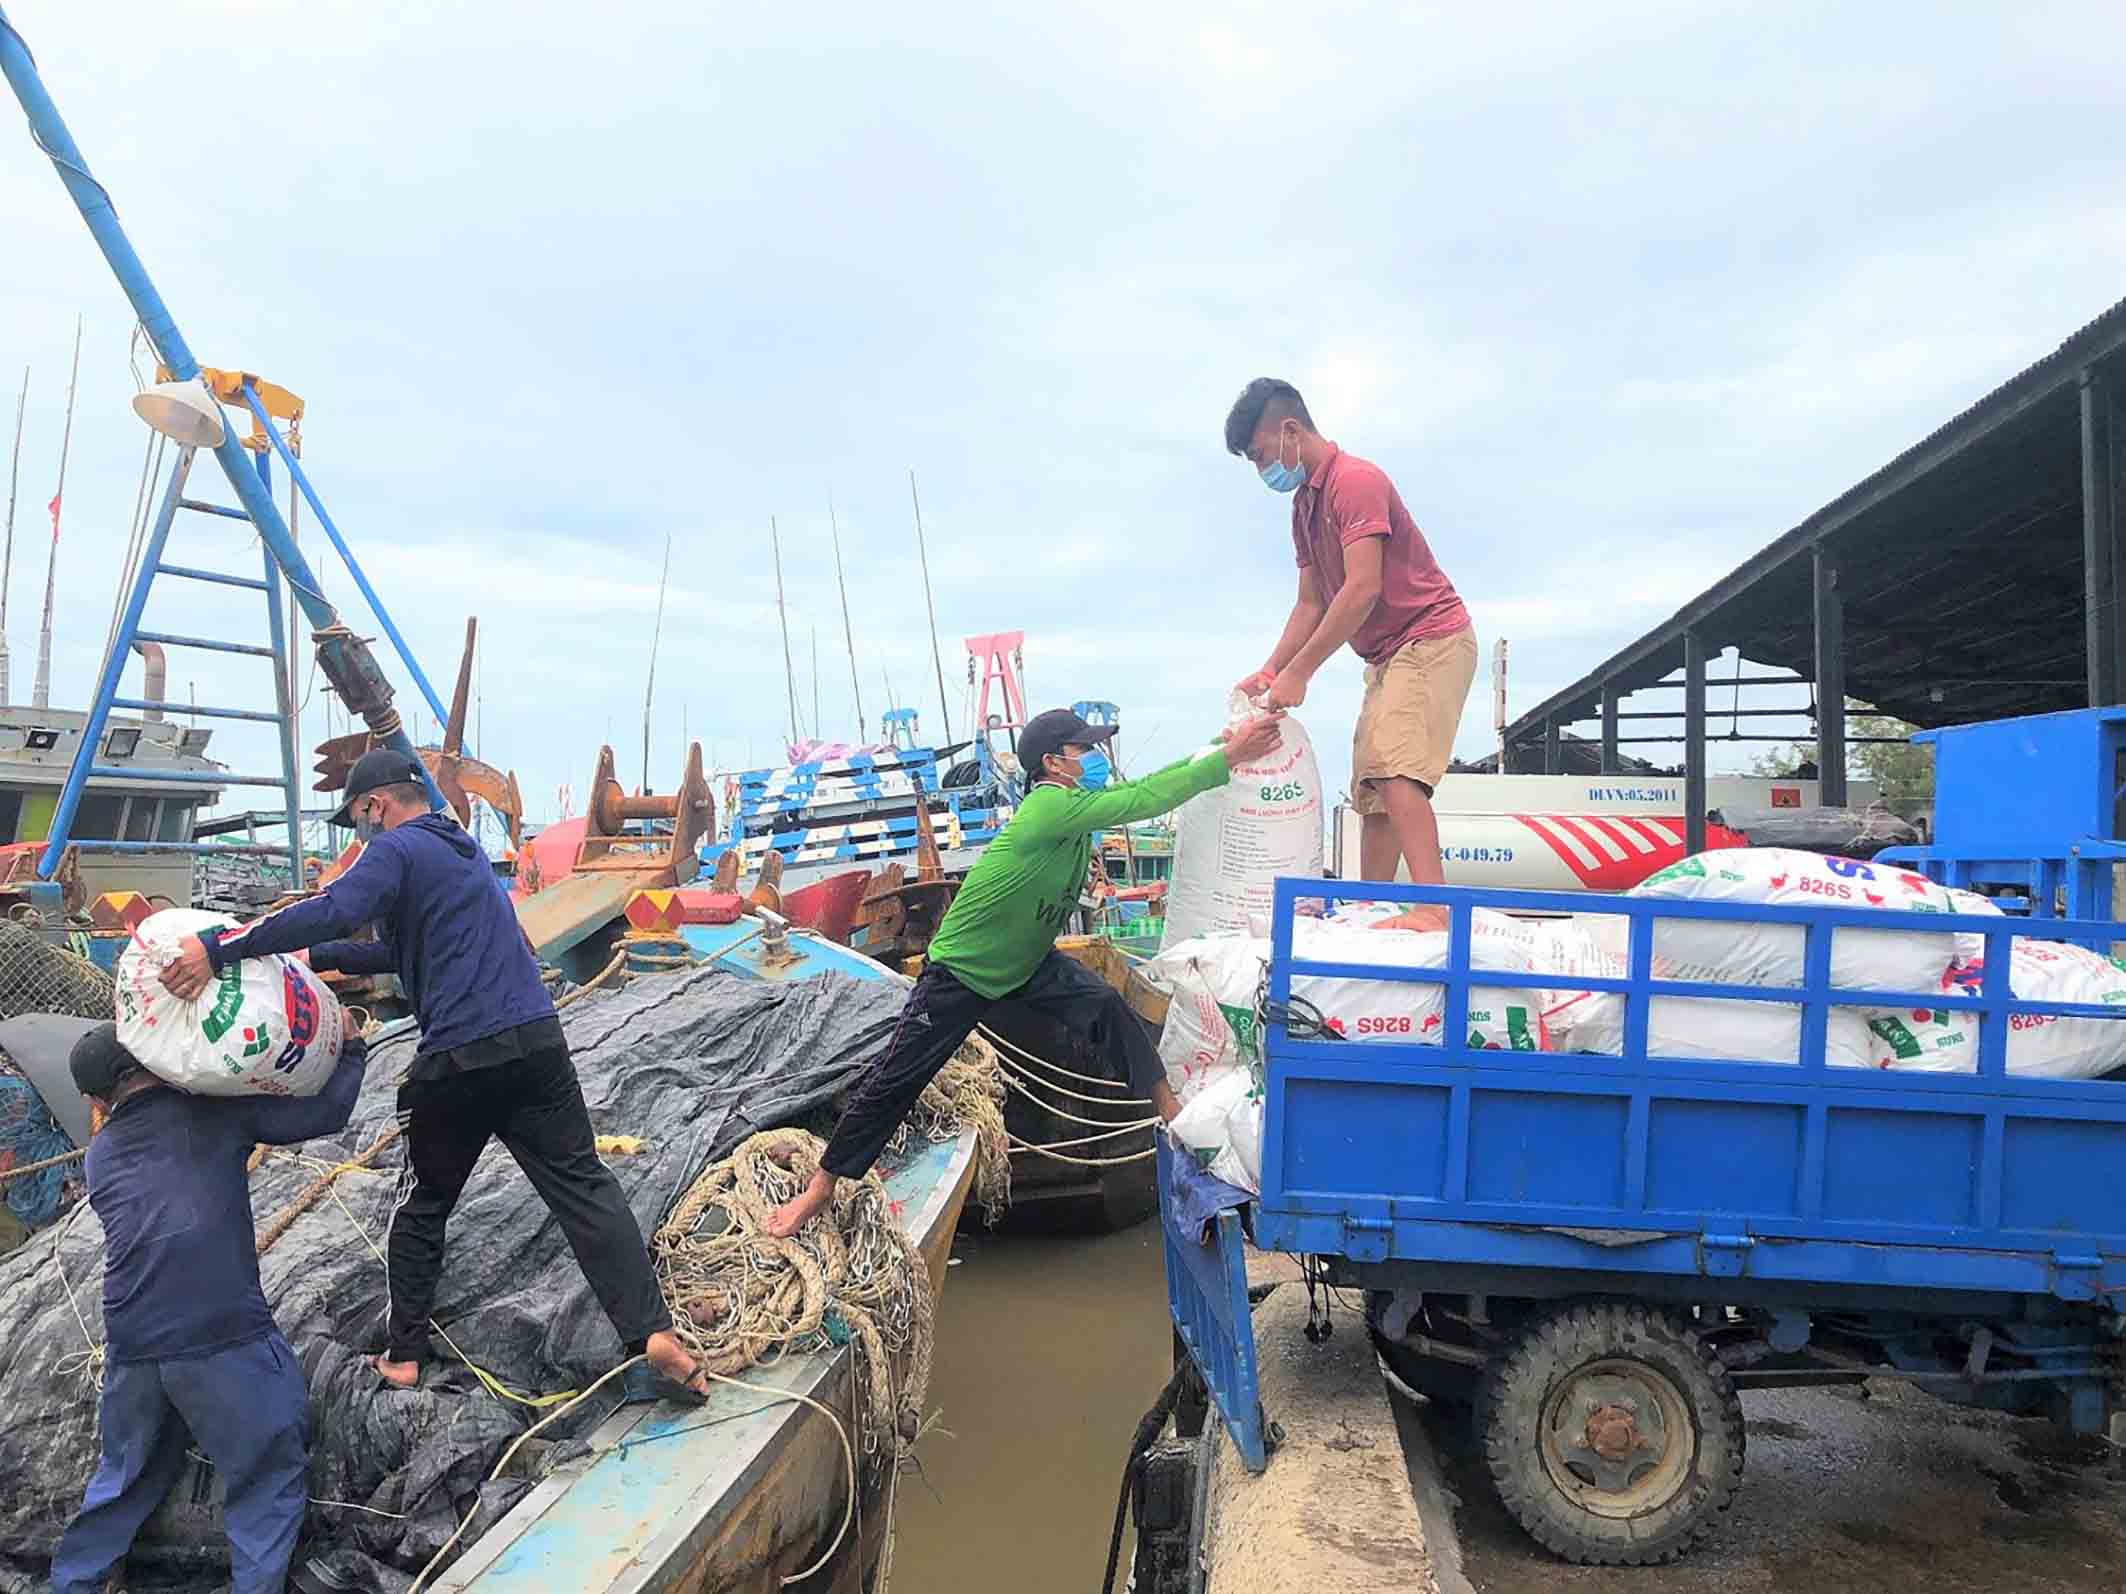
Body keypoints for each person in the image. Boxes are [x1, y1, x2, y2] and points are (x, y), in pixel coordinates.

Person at [157, 748, 704, 1402]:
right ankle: (648, 1333)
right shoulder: (461, 850)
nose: (359, 834)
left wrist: (222, 945)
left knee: (419, 1207)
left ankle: (404, 1356)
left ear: (374, 806)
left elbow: (336, 905)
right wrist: (311, 954)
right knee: (584, 1185)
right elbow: (396, 947)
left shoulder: (393, 849)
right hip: (536, 1043)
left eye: (358, 821)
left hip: (461, 1060)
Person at [763, 705, 1285, 1238]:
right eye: (1084, 751)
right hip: (963, 970)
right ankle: (821, 1187)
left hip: (1027, 962)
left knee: (1106, 1007)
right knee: (898, 1078)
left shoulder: (1075, 812)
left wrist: (1217, 748)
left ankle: (1171, 1112)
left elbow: (1149, 783)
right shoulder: (1049, 807)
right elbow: (1142, 799)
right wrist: (1229, 757)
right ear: (1054, 763)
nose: (1094, 759)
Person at [50, 1023, 367, 1594]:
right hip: (222, 1332)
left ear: (98, 1100)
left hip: (133, 1338)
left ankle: (73, 1581)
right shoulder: (210, 1110)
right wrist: (350, 1046)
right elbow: (326, 1114)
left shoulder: (100, 1157)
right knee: (268, 1471)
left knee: (125, 1475)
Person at [1226, 378, 1477, 922]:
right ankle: (1373, 909)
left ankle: (1433, 911)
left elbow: (1362, 588)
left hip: (1430, 636)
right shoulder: (1304, 509)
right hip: (1385, 655)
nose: (1262, 470)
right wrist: (1272, 669)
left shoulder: (1354, 481)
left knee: (1395, 768)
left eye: (1260, 455)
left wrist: (1302, 672)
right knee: (1370, 786)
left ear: (1290, 430)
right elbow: (1311, 603)